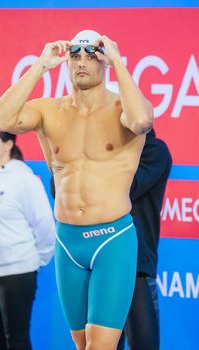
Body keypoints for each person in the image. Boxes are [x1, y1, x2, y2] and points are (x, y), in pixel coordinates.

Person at [0, 29, 154, 350]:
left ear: (103, 62)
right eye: (75, 56)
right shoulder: (49, 110)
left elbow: (142, 122)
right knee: (83, 346)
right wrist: (40, 64)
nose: (82, 62)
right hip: (67, 242)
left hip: (112, 240)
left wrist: (118, 61)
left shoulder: (123, 108)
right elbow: (0, 118)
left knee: (100, 347)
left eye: (91, 56)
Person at [0, 121, 56, 350]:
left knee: (16, 342)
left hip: (17, 272)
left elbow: (45, 226)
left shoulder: (24, 180)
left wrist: (35, 261)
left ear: (8, 144)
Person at [117, 129, 172, 350]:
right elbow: (59, 189)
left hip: (136, 265)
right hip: (98, 263)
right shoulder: (97, 151)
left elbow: (123, 190)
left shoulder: (153, 150)